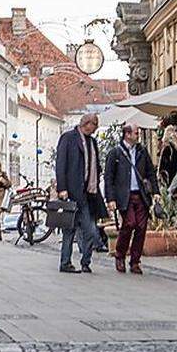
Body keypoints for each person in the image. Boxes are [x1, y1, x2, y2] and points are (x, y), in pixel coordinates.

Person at [55, 112, 108, 273]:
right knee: (69, 229)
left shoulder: (92, 142)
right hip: (72, 192)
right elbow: (61, 164)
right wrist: (62, 188)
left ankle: (86, 261)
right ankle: (65, 263)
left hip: (89, 194)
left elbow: (94, 164)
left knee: (91, 230)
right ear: (87, 124)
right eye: (94, 126)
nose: (95, 130)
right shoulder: (68, 138)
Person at [104, 124, 158, 274]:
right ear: (127, 134)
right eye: (136, 133)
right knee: (129, 224)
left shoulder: (142, 151)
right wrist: (111, 198)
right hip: (124, 196)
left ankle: (135, 261)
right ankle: (120, 255)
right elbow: (109, 177)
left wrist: (155, 191)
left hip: (141, 195)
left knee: (141, 228)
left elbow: (150, 173)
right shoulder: (115, 153)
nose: (138, 135)